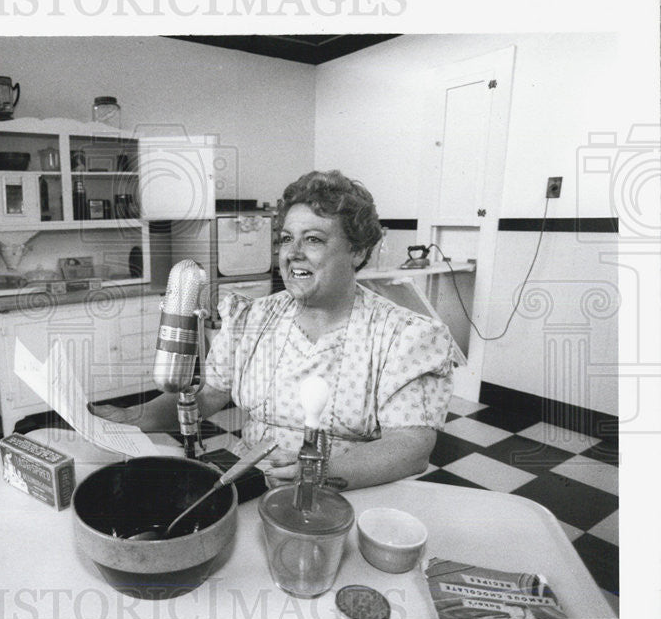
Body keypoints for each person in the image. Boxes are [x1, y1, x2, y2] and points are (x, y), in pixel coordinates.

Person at [91, 170, 456, 491]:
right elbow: (204, 397)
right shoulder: (253, 318)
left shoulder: (403, 336)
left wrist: (314, 474)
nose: (292, 252)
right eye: (285, 238)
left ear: (358, 252)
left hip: (346, 499)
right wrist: (131, 418)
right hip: (248, 486)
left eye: (313, 239)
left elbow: (411, 446)